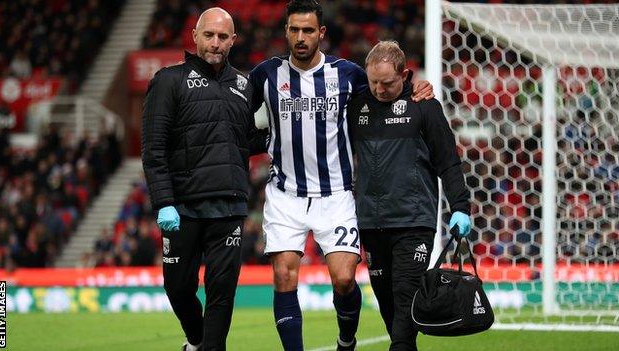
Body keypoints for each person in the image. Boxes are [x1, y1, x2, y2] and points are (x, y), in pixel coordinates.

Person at [248, 2, 434, 350]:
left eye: (307, 31)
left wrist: (414, 89)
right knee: (284, 275)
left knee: (345, 279)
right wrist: (263, 140)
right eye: (294, 30)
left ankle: (346, 340)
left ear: (321, 33)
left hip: (336, 194)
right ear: (286, 31)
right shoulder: (266, 75)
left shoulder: (347, 74)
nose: (300, 38)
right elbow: (240, 117)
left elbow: (384, 93)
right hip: (285, 193)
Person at [141, 8, 266, 351]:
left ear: (233, 41)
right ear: (194, 35)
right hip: (182, 207)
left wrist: (275, 137)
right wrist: (164, 202)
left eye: (223, 37)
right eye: (209, 35)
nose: (215, 43)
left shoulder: (244, 85)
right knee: (178, 289)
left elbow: (242, 140)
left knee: (222, 294)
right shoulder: (168, 80)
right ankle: (196, 339)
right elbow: (154, 149)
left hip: (228, 207)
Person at [347, 41, 472, 351]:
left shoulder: (424, 106)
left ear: (404, 74)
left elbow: (447, 160)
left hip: (413, 220)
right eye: (373, 81)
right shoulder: (356, 105)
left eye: (387, 82)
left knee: (405, 295)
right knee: (387, 302)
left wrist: (461, 206)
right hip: (371, 223)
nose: (379, 89)